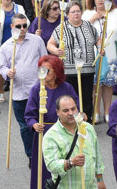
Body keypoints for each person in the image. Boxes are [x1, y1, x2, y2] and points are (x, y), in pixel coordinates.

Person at [24, 55, 79, 189]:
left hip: (65, 133)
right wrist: (34, 124)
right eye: (41, 69)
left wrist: (77, 118)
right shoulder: (37, 89)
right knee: (43, 170)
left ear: (56, 72)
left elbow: (76, 109)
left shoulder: (67, 88)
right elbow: (29, 115)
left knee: (65, 165)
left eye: (47, 70)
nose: (43, 73)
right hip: (44, 133)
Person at [0, 14, 47, 160]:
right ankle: (31, 156)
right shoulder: (6, 47)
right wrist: (8, 72)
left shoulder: (37, 40)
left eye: (24, 25)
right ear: (12, 27)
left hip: (38, 90)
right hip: (19, 92)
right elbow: (1, 67)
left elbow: (44, 61)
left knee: (41, 124)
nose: (22, 29)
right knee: (25, 126)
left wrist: (44, 77)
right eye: (18, 26)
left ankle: (45, 153)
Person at [46, 0, 99, 120]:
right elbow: (50, 44)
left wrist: (100, 47)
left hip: (87, 69)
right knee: (71, 99)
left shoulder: (89, 26)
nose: (76, 14)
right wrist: (55, 51)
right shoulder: (61, 28)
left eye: (78, 11)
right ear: (67, 14)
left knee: (86, 98)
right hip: (69, 71)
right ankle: (71, 122)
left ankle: (86, 123)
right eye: (73, 11)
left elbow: (98, 39)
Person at [43, 95, 105, 189]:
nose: (71, 113)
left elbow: (97, 156)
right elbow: (51, 165)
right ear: (57, 112)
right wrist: (71, 162)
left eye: (73, 109)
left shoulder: (88, 128)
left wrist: (100, 180)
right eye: (65, 110)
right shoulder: (51, 136)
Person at [84, 0, 117, 123]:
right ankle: (96, 111)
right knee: (95, 84)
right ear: (93, 0)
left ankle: (107, 111)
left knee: (108, 84)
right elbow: (81, 29)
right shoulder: (87, 13)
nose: (100, 0)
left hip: (111, 52)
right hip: (94, 53)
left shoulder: (116, 12)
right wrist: (93, 18)